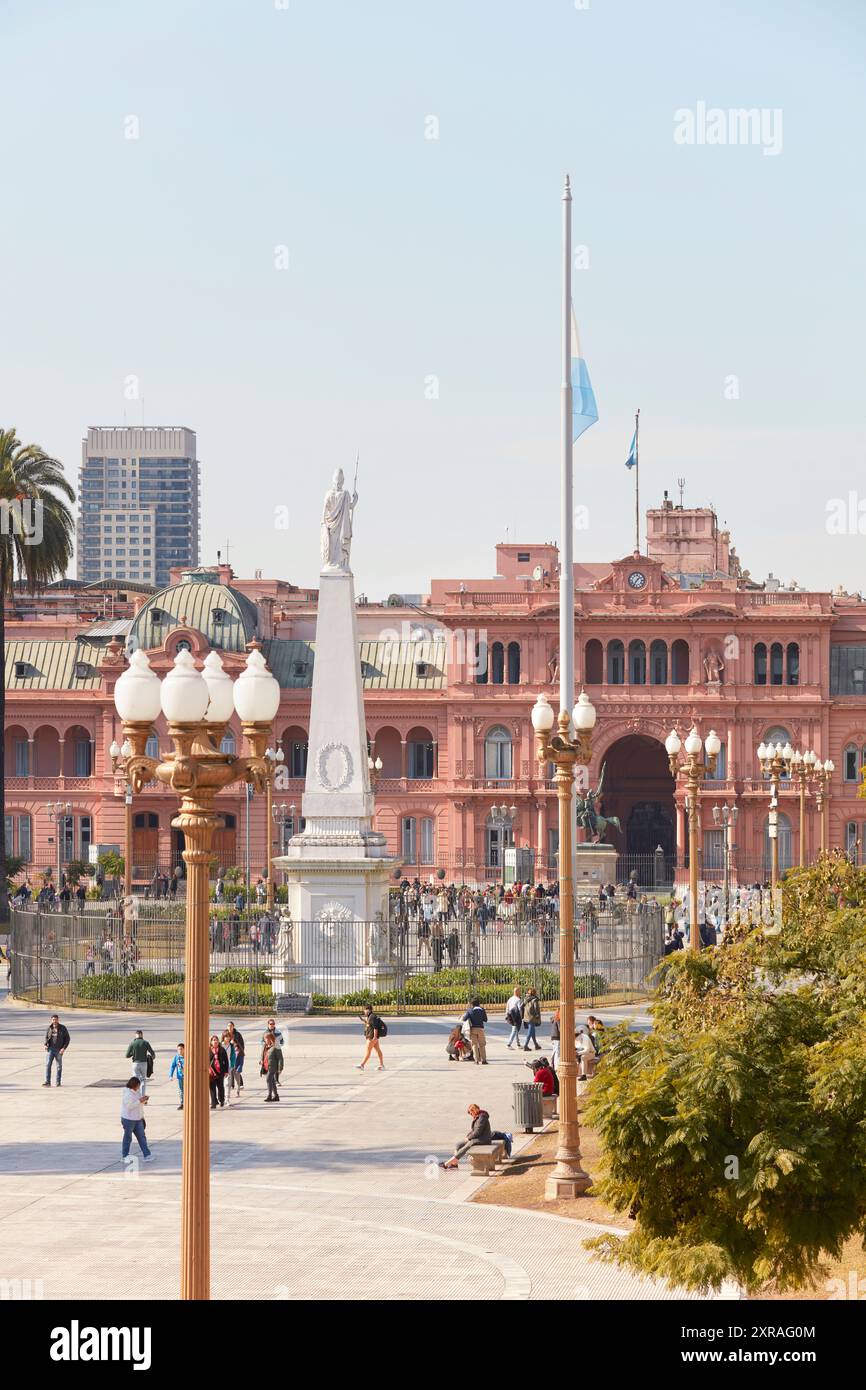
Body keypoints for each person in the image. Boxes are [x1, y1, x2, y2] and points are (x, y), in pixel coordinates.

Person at [440, 1103, 513, 1167]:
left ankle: (447, 1163)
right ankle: (455, 1163)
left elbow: (478, 1131)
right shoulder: (477, 1117)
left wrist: (469, 1138)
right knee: (458, 1145)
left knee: (468, 1145)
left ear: (477, 1109)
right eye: (471, 1113)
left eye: (473, 1111)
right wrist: (467, 1136)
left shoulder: (482, 1117)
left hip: (484, 1140)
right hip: (478, 1138)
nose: (472, 1114)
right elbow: (474, 1131)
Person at [120, 1076, 153, 1164]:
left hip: (138, 1119)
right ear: (134, 1085)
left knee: (142, 1137)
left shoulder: (137, 1091)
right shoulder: (127, 1094)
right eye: (138, 1085)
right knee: (128, 1138)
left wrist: (143, 1100)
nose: (139, 1087)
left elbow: (139, 1104)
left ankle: (147, 1155)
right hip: (128, 1119)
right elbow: (130, 1106)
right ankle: (125, 1156)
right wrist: (140, 1100)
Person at [125, 1029, 155, 1096]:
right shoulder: (145, 1043)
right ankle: (143, 1096)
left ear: (135, 1035)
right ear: (142, 1035)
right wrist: (150, 1059)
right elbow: (153, 1054)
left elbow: (127, 1055)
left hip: (135, 1063)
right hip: (144, 1063)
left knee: (135, 1080)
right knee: (143, 1080)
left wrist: (133, 1053)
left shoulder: (132, 1043)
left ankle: (136, 1096)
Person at [356, 1004, 386, 1071]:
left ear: (368, 1010)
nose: (364, 1011)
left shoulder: (372, 1017)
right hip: (373, 1037)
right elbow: (370, 1024)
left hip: (371, 1037)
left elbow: (375, 1027)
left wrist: (375, 1037)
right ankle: (382, 1065)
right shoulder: (371, 1016)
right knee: (378, 1050)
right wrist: (363, 1020)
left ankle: (362, 1065)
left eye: (365, 1010)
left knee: (368, 1051)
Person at [43, 1013, 70, 1086]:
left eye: (56, 1019)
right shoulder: (49, 1028)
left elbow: (67, 1039)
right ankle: (48, 1081)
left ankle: (58, 1082)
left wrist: (63, 1048)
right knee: (48, 1065)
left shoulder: (63, 1028)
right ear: (51, 1020)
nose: (54, 1021)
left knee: (59, 1066)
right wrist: (45, 1044)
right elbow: (46, 1037)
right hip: (51, 1049)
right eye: (53, 1019)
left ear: (58, 1020)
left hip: (59, 1049)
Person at [462, 997, 488, 1064]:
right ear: (479, 1003)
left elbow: (464, 1019)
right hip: (480, 1029)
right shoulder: (482, 1010)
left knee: (474, 1044)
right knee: (482, 1044)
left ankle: (476, 1060)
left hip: (473, 1029)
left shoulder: (470, 1010)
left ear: (472, 1004)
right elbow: (485, 1019)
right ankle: (484, 1060)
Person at [262, 1031, 284, 1101]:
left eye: (266, 1039)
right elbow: (263, 1055)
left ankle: (269, 1096)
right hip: (267, 1066)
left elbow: (280, 1058)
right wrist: (261, 1060)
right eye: (264, 1039)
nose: (265, 1040)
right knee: (272, 1081)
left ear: (270, 1038)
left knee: (268, 1079)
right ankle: (276, 1096)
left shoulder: (276, 1046)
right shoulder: (265, 1046)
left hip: (273, 1066)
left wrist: (280, 1068)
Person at [209, 1033, 229, 1108]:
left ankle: (221, 1100)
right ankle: (213, 1103)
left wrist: (226, 1071)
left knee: (220, 1087)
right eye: (213, 1040)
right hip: (211, 1072)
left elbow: (226, 1061)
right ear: (211, 1042)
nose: (215, 1041)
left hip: (220, 1071)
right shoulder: (208, 1050)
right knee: (212, 1088)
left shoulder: (222, 1049)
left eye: (216, 1040)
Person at [521, 987, 542, 1051]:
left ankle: (536, 1045)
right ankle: (525, 1045)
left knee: (532, 1031)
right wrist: (537, 1015)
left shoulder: (525, 998)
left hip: (526, 1016)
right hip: (532, 1017)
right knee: (530, 1032)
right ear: (534, 993)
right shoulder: (534, 1000)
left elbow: (522, 1006)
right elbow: (536, 1008)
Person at [226, 1022, 245, 1089]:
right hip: (228, 1053)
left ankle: (240, 1084)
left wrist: (241, 1051)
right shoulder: (225, 1034)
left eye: (231, 1026)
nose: (230, 1027)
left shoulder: (237, 1034)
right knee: (230, 1069)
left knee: (236, 1070)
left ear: (233, 1026)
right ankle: (232, 1085)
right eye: (228, 1026)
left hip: (237, 1053)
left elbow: (242, 1043)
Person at [169, 1042, 185, 1109]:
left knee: (187, 1090)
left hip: (187, 1077)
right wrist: (170, 1075)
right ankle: (182, 1103)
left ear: (184, 1049)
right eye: (178, 1049)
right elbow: (172, 1066)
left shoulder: (187, 1057)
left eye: (181, 1049)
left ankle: (188, 1102)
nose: (179, 1051)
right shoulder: (176, 1057)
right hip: (180, 1076)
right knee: (181, 1090)